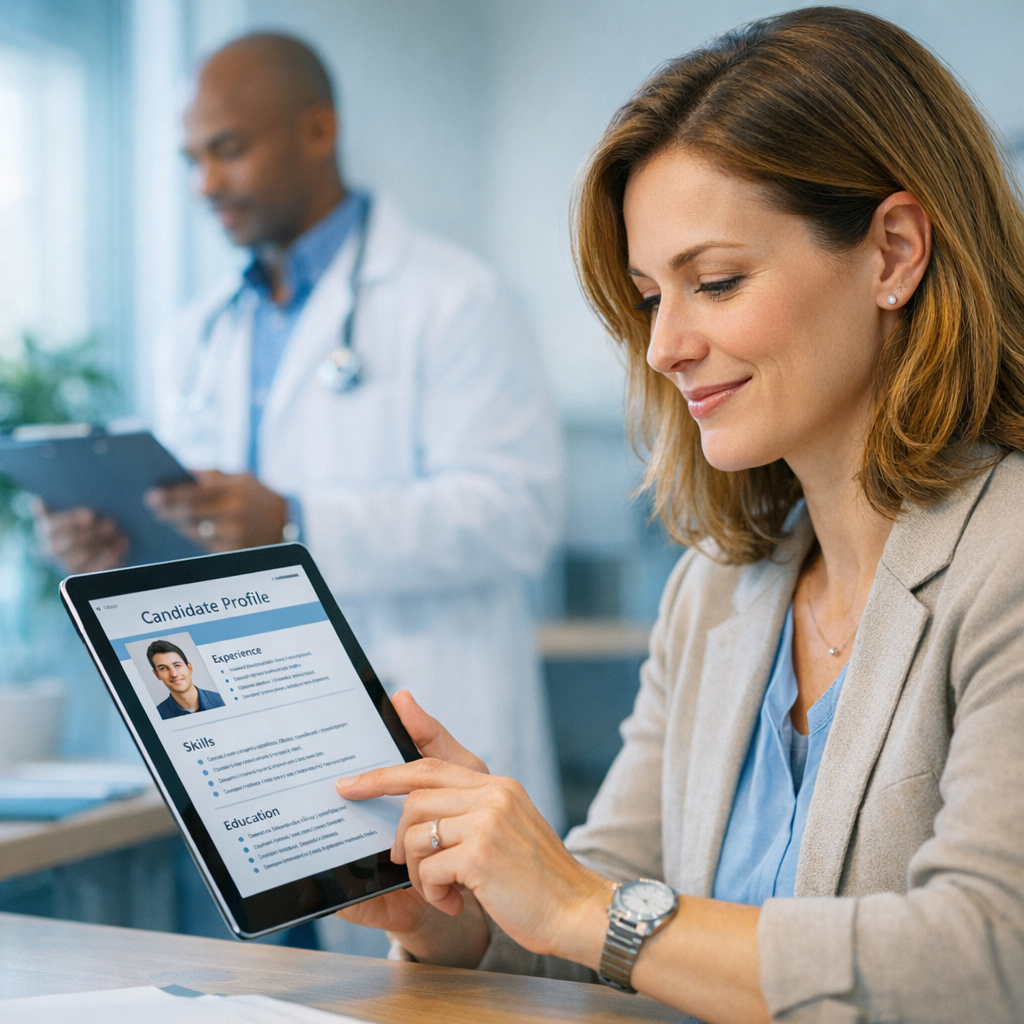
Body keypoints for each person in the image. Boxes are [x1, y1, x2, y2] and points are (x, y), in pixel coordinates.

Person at [325, 9, 1024, 1022]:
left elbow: (988, 958)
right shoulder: (718, 593)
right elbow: (611, 921)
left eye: (716, 282)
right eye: (652, 296)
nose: (664, 347)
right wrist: (466, 914)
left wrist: (576, 903)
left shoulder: (1005, 561)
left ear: (893, 252)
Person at [36, 34, 564, 834]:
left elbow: (517, 516)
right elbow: (196, 538)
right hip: (253, 743)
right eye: (191, 160)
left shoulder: (453, 299)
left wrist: (294, 521)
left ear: (319, 130)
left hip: (420, 718)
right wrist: (114, 547)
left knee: (438, 911)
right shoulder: (197, 334)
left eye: (229, 150)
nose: (206, 184)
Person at [146, 639, 225, 720]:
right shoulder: (156, 716)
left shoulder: (222, 700)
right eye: (163, 668)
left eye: (177, 665)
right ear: (157, 675)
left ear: (189, 668)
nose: (174, 674)